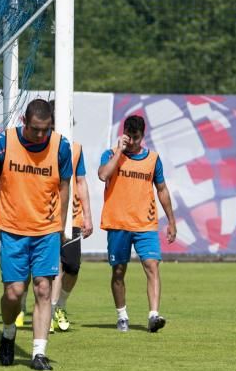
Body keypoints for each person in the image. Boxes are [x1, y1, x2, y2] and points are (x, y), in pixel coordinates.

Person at [0, 98, 72, 371]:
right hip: (13, 230)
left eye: (45, 129)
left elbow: (64, 187)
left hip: (46, 231)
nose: (41, 135)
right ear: (24, 121)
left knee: (43, 289)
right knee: (13, 293)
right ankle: (8, 333)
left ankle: (38, 353)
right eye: (35, 129)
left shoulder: (61, 147)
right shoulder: (3, 143)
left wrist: (61, 226)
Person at [98, 114, 176, 333]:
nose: (132, 142)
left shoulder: (153, 159)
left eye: (136, 137)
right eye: (128, 137)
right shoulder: (111, 154)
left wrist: (171, 220)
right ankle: (122, 315)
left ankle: (153, 315)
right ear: (123, 134)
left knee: (152, 266)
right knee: (119, 271)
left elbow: (162, 190)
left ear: (143, 135)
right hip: (118, 223)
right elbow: (103, 175)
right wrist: (119, 152)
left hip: (145, 224)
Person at [49, 103, 94, 332]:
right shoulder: (43, 148)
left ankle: (60, 305)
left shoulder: (76, 149)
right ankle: (47, 312)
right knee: (52, 266)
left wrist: (88, 215)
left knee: (73, 267)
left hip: (73, 217)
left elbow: (81, 181)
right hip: (47, 215)